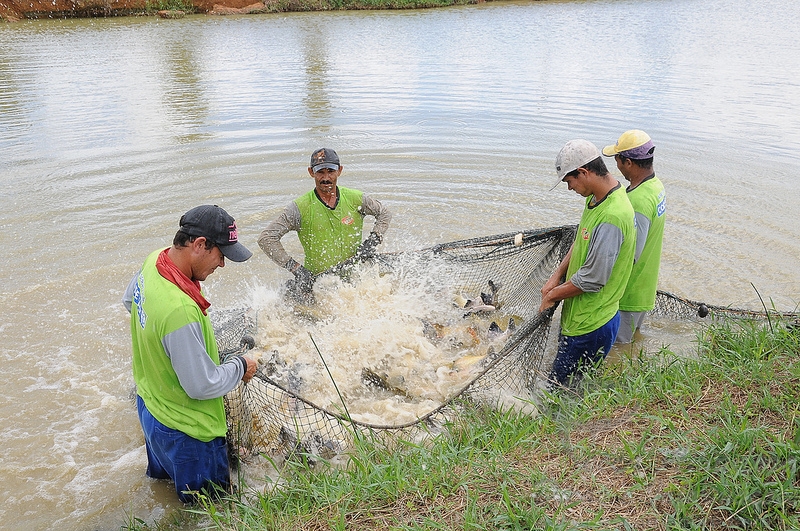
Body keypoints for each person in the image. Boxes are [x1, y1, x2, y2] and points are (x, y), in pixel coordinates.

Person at [123, 205, 258, 504]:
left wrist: (171, 351)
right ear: (199, 245)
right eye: (221, 254)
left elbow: (129, 303)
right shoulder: (179, 310)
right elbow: (202, 385)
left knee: (166, 496)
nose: (222, 264)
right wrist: (241, 364)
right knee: (212, 513)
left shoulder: (153, 262)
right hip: (190, 435)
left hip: (152, 411)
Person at [540, 140, 636, 388]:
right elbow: (581, 238)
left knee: (558, 392)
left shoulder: (613, 216)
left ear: (583, 172)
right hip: (579, 318)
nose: (569, 188)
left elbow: (593, 279)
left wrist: (553, 295)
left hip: (591, 326)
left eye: (569, 181)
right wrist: (556, 275)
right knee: (568, 386)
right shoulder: (596, 198)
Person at [258, 148, 392, 297]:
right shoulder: (299, 208)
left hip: (356, 280)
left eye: (331, 171)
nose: (326, 177)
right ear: (311, 172)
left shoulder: (356, 198)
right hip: (319, 284)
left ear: (340, 171)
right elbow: (266, 238)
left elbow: (384, 213)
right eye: (320, 172)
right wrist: (296, 269)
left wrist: (373, 240)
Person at [602, 130, 666, 344]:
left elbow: (632, 255)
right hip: (644, 287)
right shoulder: (656, 187)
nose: (616, 166)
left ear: (628, 162)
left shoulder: (638, 201)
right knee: (630, 349)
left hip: (629, 294)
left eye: (618, 160)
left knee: (617, 347)